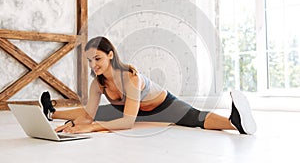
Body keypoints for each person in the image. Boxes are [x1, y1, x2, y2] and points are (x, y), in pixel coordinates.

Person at [40, 36, 256, 135]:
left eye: (97, 58)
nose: (93, 65)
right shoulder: (98, 84)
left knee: (195, 118)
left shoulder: (130, 79)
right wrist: (75, 125)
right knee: (99, 113)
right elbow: (89, 114)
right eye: (89, 60)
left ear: (110, 55)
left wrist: (92, 127)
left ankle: (234, 122)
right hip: (136, 111)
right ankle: (52, 113)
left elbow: (126, 123)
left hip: (162, 106)